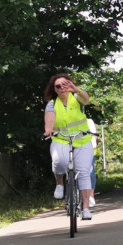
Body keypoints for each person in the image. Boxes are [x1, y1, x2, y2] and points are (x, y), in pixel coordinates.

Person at [43, 74, 95, 220]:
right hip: (61, 139)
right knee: (60, 161)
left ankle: (85, 208)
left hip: (82, 140)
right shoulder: (52, 103)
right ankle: (59, 184)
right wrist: (49, 129)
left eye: (65, 84)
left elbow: (86, 99)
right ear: (54, 89)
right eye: (58, 86)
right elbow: (49, 118)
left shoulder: (76, 98)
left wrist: (76, 89)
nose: (62, 88)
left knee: (84, 172)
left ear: (70, 84)